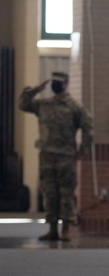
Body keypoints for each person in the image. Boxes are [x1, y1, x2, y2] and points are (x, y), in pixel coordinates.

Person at [18, 72, 94, 241]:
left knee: (66, 193)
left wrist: (82, 152)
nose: (56, 85)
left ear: (66, 84)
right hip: (46, 156)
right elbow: (23, 104)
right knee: (49, 192)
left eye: (59, 82)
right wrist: (36, 89)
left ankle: (65, 229)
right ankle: (52, 229)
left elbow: (88, 128)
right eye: (54, 82)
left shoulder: (74, 108)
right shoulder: (43, 105)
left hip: (66, 157)